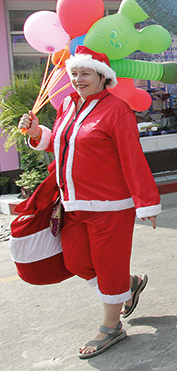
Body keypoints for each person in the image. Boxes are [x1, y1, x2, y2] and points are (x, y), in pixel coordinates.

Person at [17, 46, 160, 359]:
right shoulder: (68, 105)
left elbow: (132, 157)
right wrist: (37, 132)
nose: (77, 79)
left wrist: (146, 201)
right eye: (74, 73)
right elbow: (60, 144)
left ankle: (111, 327)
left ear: (101, 76)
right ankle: (130, 284)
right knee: (77, 261)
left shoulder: (116, 109)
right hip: (72, 203)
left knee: (107, 266)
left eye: (85, 73)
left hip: (111, 206)